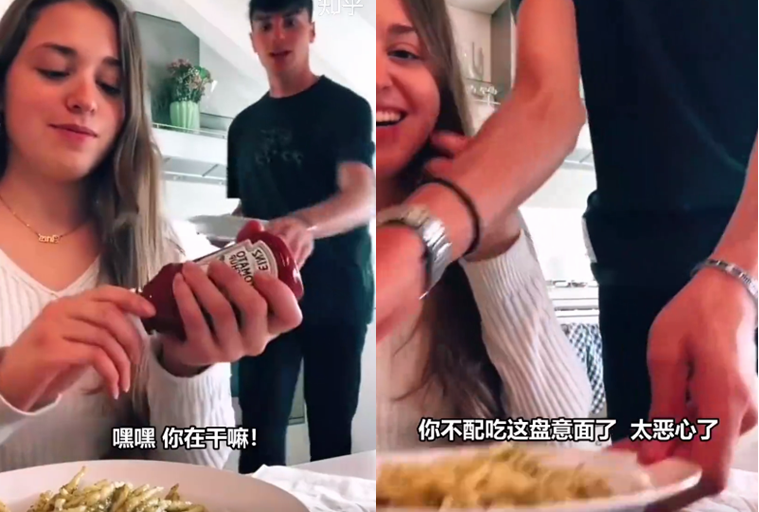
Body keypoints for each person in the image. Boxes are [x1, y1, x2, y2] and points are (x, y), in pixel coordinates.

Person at [376, 0, 757, 507]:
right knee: (651, 489)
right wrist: (424, 234)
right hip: (634, 283)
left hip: (741, 273)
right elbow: (546, 99)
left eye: (403, 52)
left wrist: (739, 272)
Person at [0, 0, 302, 471]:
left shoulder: (171, 254)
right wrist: (9, 387)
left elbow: (202, 468)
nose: (85, 99)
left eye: (110, 85)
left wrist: (188, 369)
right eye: (55, 71)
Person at [375, 0, 592, 451]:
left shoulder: (485, 227)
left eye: (404, 53)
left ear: (440, 77)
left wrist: (494, 242)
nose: (377, 78)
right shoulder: (271, 235)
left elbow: (564, 439)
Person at [227, 0, 375, 473]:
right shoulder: (242, 127)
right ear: (253, 39)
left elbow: (362, 195)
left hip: (338, 298)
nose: (278, 35)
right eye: (265, 25)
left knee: (332, 441)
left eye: (290, 22)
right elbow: (248, 210)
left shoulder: (348, 108)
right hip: (263, 300)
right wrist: (226, 238)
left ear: (311, 31)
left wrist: (304, 224)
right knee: (258, 441)